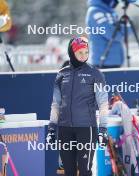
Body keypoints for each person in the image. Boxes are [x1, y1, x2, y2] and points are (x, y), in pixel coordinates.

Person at [46, 36, 109, 176]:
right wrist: (51, 128)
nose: (84, 55)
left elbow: (103, 103)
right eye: (80, 52)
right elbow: (56, 104)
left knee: (85, 171)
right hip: (65, 129)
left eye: (86, 52)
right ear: (72, 52)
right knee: (68, 171)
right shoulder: (61, 74)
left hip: (86, 129)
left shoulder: (95, 74)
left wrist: (103, 129)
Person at [86, 0, 126, 68]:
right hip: (103, 62)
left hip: (115, 60)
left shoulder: (111, 12)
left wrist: (122, 30)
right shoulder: (95, 11)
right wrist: (123, 31)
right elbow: (111, 34)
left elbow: (120, 32)